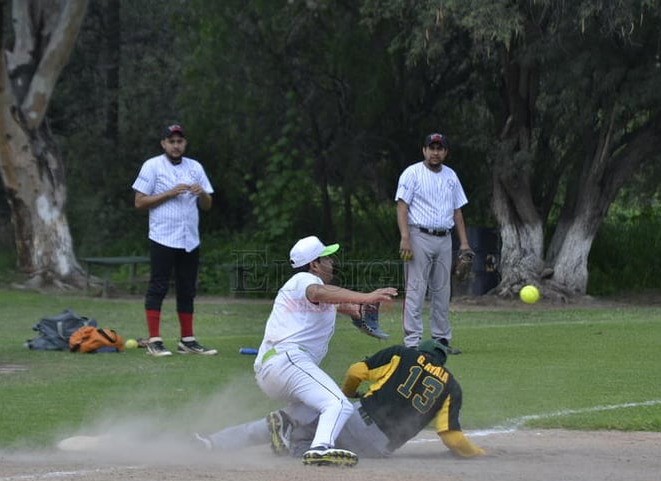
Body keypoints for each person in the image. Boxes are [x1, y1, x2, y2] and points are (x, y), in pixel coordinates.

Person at [195, 339, 484, 460]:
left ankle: (216, 443)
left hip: (359, 421)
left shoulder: (404, 354)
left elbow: (356, 371)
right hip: (380, 449)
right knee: (306, 422)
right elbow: (453, 437)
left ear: (421, 350)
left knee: (307, 407)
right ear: (443, 360)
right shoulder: (451, 387)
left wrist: (343, 397)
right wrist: (478, 455)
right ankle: (297, 444)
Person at [250, 235, 398, 466]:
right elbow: (319, 294)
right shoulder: (303, 280)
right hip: (288, 362)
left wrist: (359, 311)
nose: (332, 262)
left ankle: (282, 427)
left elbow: (334, 303)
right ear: (314, 264)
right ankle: (320, 448)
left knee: (309, 413)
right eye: (327, 258)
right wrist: (366, 296)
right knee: (338, 405)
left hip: (274, 369)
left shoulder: (305, 290)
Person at [132, 124, 218, 357]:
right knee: (158, 287)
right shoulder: (152, 166)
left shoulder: (195, 167)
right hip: (163, 236)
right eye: (171, 141)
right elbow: (139, 202)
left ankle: (187, 340)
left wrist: (202, 193)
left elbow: (208, 206)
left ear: (185, 143)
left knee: (187, 289)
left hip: (189, 238)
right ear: (163, 143)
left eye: (179, 141)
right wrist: (169, 193)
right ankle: (154, 340)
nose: (176, 145)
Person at [396, 132, 473, 354]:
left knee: (442, 290)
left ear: (445, 152)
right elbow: (402, 207)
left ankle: (441, 341)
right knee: (416, 289)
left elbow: (457, 211)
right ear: (424, 150)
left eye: (440, 148)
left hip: (444, 238)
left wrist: (465, 243)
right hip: (418, 235)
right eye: (432, 148)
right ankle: (412, 342)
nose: (435, 152)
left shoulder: (451, 176)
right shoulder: (412, 173)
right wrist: (405, 238)